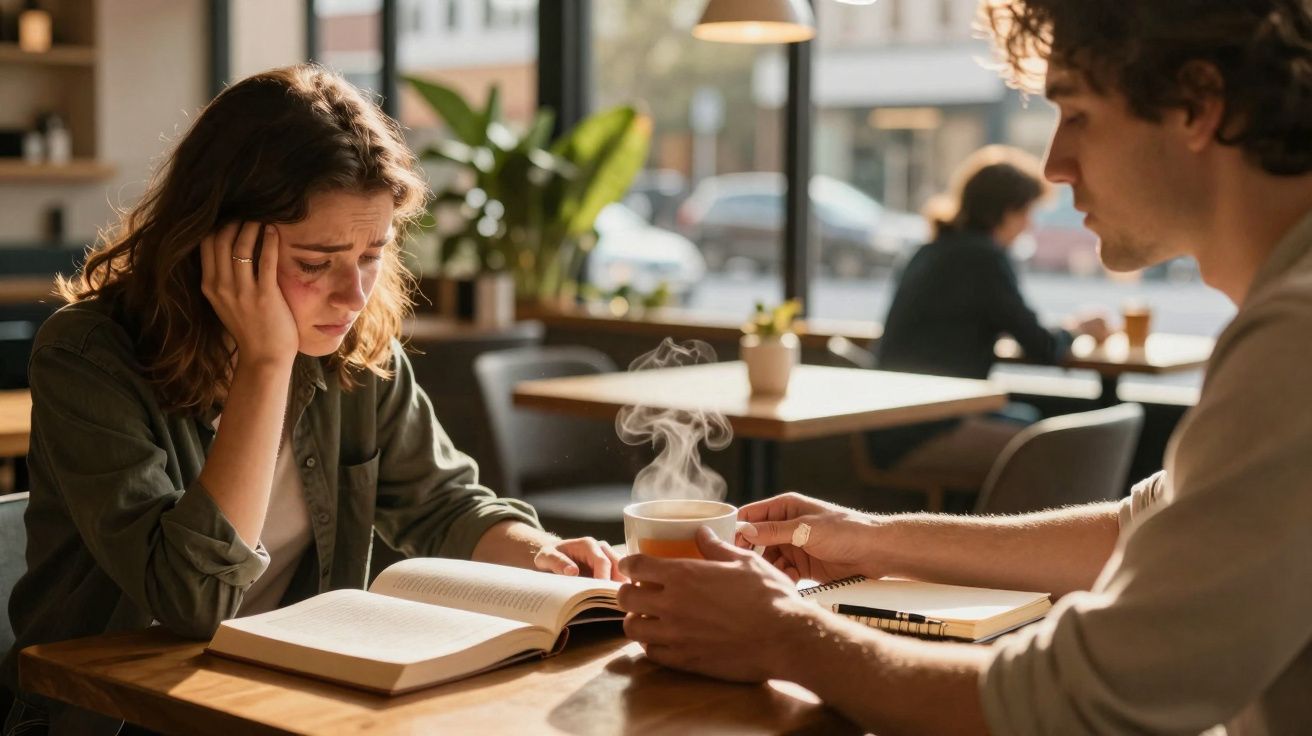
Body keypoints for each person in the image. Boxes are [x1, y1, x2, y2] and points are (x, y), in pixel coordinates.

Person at [618, 0, 1312, 733]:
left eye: (1075, 114)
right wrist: (865, 538)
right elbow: (1135, 531)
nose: (1054, 164)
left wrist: (784, 635)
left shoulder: (1294, 340)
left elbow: (1080, 702)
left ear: (1196, 106)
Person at [1, 65, 622, 736]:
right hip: (114, 719)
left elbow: (443, 502)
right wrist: (266, 363)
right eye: (316, 261)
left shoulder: (352, 348)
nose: (353, 296)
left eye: (372, 253)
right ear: (220, 245)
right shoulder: (89, 355)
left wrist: (541, 556)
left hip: (280, 701)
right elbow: (194, 599)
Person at [865, 145, 1109, 487]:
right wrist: (1080, 327)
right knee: (1060, 456)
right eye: (1027, 213)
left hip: (888, 426)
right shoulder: (983, 259)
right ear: (1007, 212)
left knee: (1028, 422)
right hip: (922, 432)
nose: (1029, 226)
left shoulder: (930, 250)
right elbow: (1043, 347)